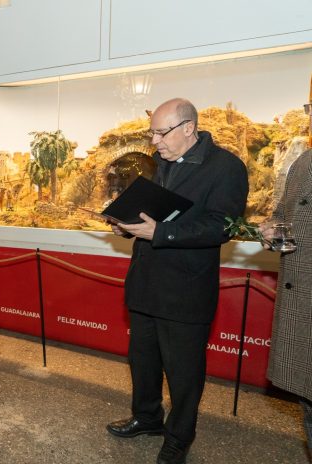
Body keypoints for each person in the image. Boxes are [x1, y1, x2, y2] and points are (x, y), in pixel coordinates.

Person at [106, 98, 249, 464]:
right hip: (146, 283)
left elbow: (222, 226)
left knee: (183, 373)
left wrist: (162, 232)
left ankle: (179, 438)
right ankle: (147, 417)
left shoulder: (226, 167)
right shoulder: (162, 162)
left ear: (188, 128)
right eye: (151, 133)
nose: (155, 141)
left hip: (186, 289)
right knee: (143, 361)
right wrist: (128, 226)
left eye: (161, 132)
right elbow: (152, 213)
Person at [259, 100, 312, 459]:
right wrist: (271, 231)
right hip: (302, 304)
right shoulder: (303, 162)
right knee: (308, 404)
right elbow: (283, 217)